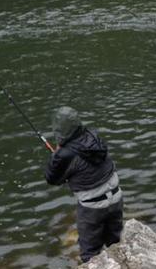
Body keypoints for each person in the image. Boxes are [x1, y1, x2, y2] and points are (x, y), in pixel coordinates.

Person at [45, 106, 124, 263]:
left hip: (93, 207)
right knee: (115, 242)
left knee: (90, 253)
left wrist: (56, 156)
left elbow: (52, 179)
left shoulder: (64, 155)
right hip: (116, 196)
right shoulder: (93, 136)